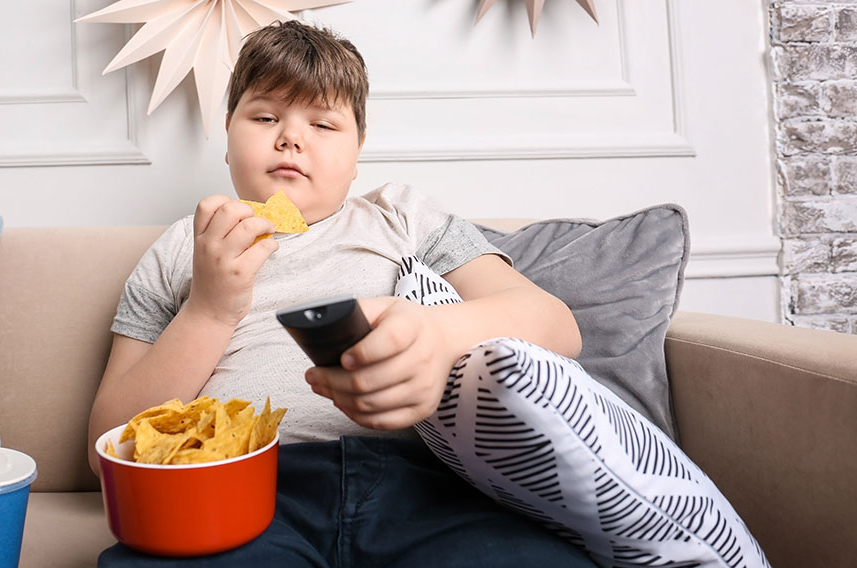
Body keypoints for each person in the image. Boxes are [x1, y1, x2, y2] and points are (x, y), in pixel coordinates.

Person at [90, 19, 594, 567]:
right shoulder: (179, 249)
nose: (291, 138)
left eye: (324, 125)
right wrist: (210, 310)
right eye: (264, 117)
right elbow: (108, 446)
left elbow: (555, 325)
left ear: (358, 154)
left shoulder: (400, 217)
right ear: (228, 138)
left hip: (424, 483)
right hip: (244, 486)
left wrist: (433, 329)